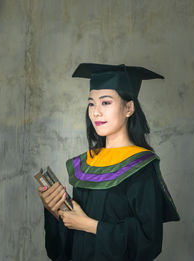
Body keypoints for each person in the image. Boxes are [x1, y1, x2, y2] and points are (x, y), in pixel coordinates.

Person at [38, 63, 180, 261]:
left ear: (129, 108)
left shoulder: (141, 166)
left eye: (105, 103)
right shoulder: (88, 165)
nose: (96, 112)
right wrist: (57, 212)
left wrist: (89, 225)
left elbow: (149, 243)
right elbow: (67, 250)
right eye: (91, 103)